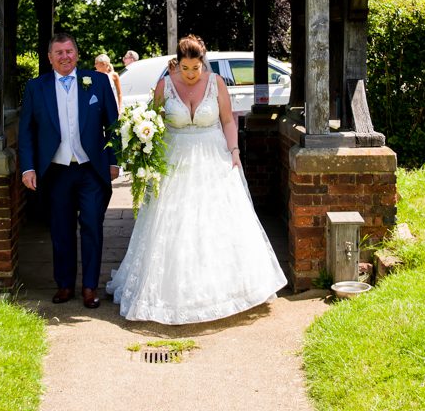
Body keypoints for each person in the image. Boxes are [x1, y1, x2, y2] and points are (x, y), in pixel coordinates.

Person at [107, 34, 286, 324]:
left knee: (213, 221)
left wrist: (234, 151)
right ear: (177, 64)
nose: (191, 75)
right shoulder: (165, 86)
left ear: (203, 63)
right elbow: (155, 123)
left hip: (212, 157)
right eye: (186, 69)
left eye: (196, 68)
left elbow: (227, 120)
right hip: (173, 162)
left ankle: (223, 288)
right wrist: (144, 144)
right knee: (174, 223)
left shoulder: (216, 84)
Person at [19, 33, 120, 308]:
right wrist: (28, 167)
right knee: (60, 230)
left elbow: (113, 124)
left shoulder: (97, 82)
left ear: (77, 53)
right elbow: (26, 131)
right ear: (50, 57)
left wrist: (114, 160)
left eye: (69, 51)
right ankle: (64, 285)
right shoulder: (35, 87)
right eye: (59, 52)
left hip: (91, 170)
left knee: (91, 227)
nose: (65, 56)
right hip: (56, 170)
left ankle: (89, 287)